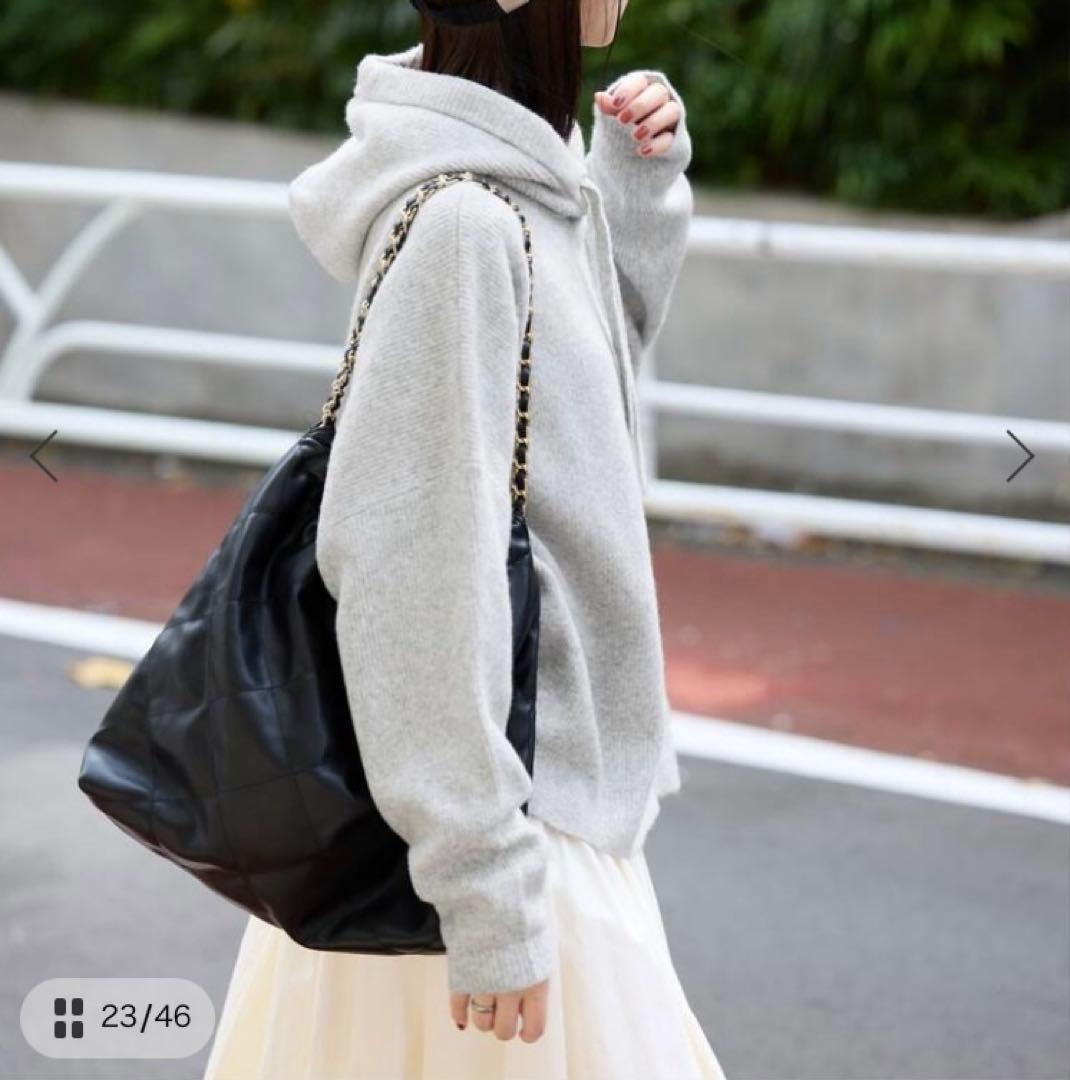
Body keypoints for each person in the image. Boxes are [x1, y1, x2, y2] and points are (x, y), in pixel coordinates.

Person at [203, 1, 727, 1076]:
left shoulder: (523, 190)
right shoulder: (464, 226)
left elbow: (587, 411)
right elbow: (412, 570)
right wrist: (484, 886)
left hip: (525, 811)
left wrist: (631, 187)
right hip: (500, 829)